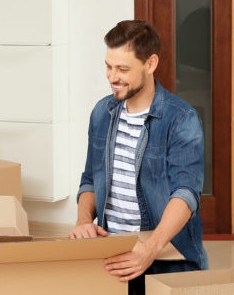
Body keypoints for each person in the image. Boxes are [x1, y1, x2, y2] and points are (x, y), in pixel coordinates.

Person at [68, 19, 207, 294]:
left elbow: (186, 193)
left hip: (165, 259)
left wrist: (149, 250)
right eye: (108, 66)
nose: (112, 77)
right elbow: (89, 180)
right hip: (113, 256)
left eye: (122, 69)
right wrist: (84, 221)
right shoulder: (101, 113)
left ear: (150, 64)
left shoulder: (181, 119)